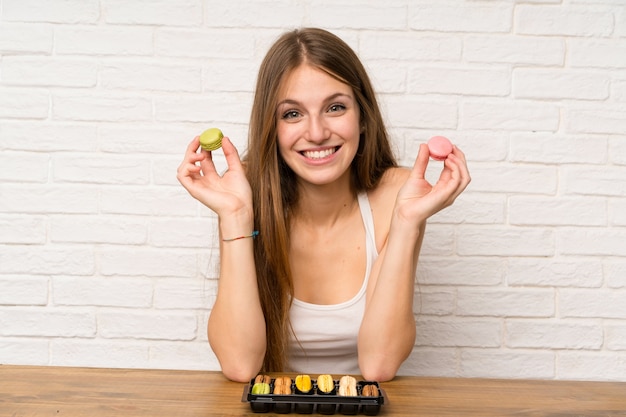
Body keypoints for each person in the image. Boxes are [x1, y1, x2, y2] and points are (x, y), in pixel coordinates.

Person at [177, 27, 470, 383]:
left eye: (335, 108)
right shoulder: (245, 192)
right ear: (272, 127)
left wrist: (408, 222)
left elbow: (379, 366)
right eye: (292, 114)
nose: (316, 133)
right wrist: (235, 217)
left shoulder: (399, 194)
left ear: (362, 117)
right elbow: (240, 366)